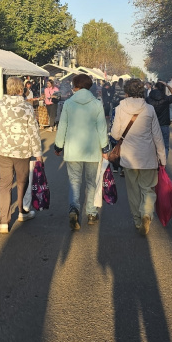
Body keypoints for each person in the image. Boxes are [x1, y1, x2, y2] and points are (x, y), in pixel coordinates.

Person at [0, 77, 43, 234]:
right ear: (20, 89)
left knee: (4, 183)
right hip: (22, 150)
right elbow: (34, 132)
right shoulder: (27, 107)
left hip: (2, 149)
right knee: (22, 181)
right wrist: (38, 153)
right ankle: (22, 212)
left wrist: (1, 130)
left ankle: (4, 221)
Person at [111, 79, 167, 235]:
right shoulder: (149, 109)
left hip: (128, 158)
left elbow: (115, 134)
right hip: (148, 157)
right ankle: (147, 213)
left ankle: (137, 221)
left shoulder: (120, 108)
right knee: (148, 189)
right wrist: (162, 158)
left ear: (126, 91)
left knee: (133, 191)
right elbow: (157, 136)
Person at [54, 74, 110, 229]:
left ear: (76, 86)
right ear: (90, 86)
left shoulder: (69, 103)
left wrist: (58, 146)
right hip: (92, 150)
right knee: (92, 182)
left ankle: (74, 209)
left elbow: (62, 126)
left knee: (74, 181)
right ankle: (91, 213)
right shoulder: (96, 103)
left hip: (72, 149)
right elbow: (101, 128)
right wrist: (105, 148)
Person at [147, 81, 172, 159]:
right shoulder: (166, 98)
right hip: (164, 124)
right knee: (165, 145)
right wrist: (167, 85)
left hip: (152, 125)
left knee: (152, 145)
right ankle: (163, 163)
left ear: (155, 87)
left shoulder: (148, 99)